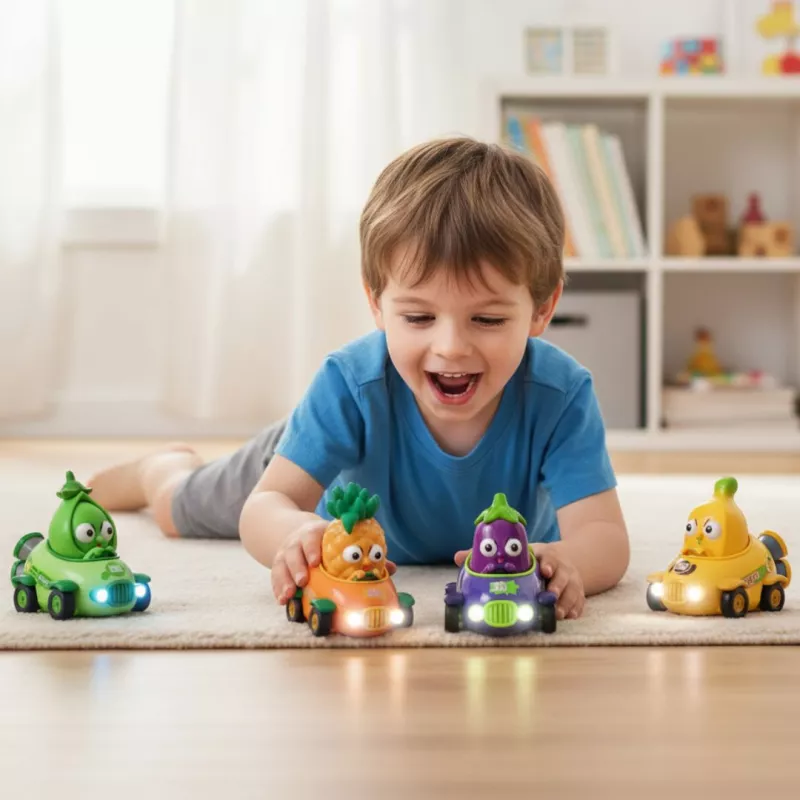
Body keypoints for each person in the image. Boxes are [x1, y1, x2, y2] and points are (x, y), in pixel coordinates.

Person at [88, 136, 630, 621]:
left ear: (542, 308)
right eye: (418, 317)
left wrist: (563, 561)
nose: (450, 347)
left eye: (487, 320)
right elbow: (263, 508)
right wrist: (298, 533)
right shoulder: (349, 383)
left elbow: (603, 537)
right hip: (317, 452)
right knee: (179, 511)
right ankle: (161, 469)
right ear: (376, 303)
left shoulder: (561, 395)